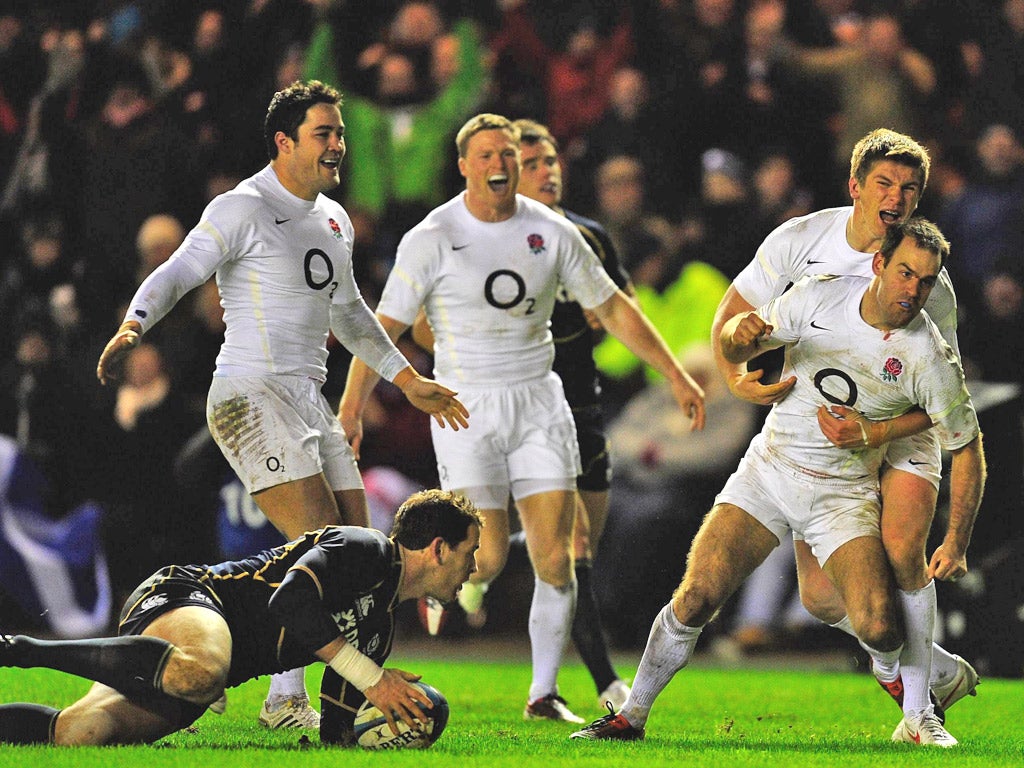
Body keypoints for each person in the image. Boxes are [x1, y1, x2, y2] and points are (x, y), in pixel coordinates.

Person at [95, 80, 469, 729]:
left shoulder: (334, 219)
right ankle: (278, 697)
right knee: (318, 546)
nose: (338, 146)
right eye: (324, 133)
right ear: (284, 141)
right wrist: (135, 323)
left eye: (341, 134)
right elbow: (181, 269)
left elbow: (350, 314)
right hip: (248, 392)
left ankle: (327, 703)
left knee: (364, 557)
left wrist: (406, 380)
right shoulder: (241, 207)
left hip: (308, 400)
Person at [339, 113, 706, 723]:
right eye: (486, 155)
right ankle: (462, 581)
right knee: (486, 558)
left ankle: (542, 694)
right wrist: (352, 407)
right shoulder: (433, 234)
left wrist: (675, 374)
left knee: (556, 554)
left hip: (540, 401)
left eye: (507, 153)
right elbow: (389, 326)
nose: (499, 165)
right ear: (464, 165)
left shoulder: (552, 231)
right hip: (467, 408)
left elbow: (614, 307)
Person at [571, 217, 986, 747]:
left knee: (878, 624)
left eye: (926, 281)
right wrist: (735, 339)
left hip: (842, 495)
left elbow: (966, 443)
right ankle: (630, 716)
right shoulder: (818, 299)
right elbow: (740, 342)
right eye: (905, 273)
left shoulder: (928, 354)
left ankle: (905, 686)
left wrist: (956, 540)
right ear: (879, 264)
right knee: (697, 596)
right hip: (768, 474)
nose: (913, 289)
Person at [709, 128, 980, 712]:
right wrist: (736, 378)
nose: (897, 197)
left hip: (900, 424)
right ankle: (935, 667)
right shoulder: (802, 238)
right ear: (856, 186)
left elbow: (939, 399)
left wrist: (877, 433)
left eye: (910, 189)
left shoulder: (931, 285)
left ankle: (918, 714)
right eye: (885, 182)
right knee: (821, 599)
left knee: (905, 548)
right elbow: (731, 316)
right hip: (824, 427)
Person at [413, 118, 633, 710]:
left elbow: (620, 308)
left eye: (550, 161)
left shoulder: (586, 238)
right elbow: (416, 318)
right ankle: (600, 678)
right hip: (495, 405)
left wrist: (611, 320)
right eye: (533, 163)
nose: (546, 172)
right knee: (559, 546)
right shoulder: (463, 235)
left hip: (576, 408)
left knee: (573, 551)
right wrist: (461, 359)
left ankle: (557, 680)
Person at [0, 489, 481, 746]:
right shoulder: (366, 547)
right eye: (470, 552)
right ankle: (20, 651)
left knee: (81, 734)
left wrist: (392, 727)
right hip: (188, 594)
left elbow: (337, 732)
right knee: (201, 671)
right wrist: (370, 676)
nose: (474, 568)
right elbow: (288, 602)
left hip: (199, 670)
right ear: (438, 549)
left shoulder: (380, 629)